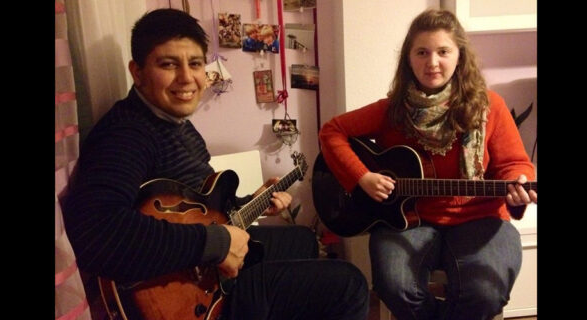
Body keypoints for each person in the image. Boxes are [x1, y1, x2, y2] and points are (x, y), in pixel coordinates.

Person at [59, 8, 368, 320]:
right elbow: (96, 232)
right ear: (137, 72)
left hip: (206, 262)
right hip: (189, 287)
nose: (186, 78)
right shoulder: (126, 134)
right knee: (349, 284)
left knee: (301, 240)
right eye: (168, 64)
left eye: (195, 64)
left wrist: (253, 202)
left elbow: (204, 208)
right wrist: (216, 243)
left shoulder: (178, 125)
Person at [318, 8, 537, 320]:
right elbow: (332, 131)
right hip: (409, 221)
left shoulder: (490, 107)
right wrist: (362, 176)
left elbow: (514, 163)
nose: (432, 62)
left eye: (443, 51)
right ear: (409, 59)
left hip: (481, 216)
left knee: (486, 293)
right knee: (396, 287)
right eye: (422, 52)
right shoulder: (393, 110)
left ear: (459, 56)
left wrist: (519, 181)